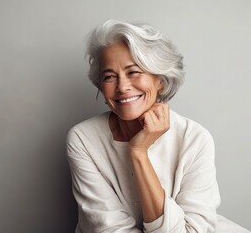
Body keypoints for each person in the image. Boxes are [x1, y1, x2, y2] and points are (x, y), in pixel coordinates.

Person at [66, 19, 250, 233]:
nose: (122, 86)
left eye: (134, 71)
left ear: (160, 80)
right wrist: (137, 150)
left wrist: (139, 152)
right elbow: (110, 229)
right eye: (109, 77)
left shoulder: (194, 139)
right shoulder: (83, 139)